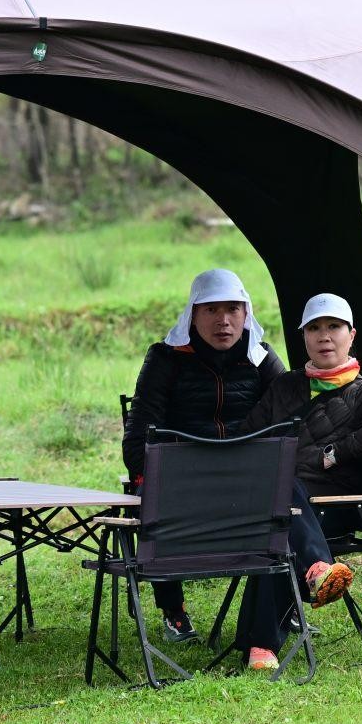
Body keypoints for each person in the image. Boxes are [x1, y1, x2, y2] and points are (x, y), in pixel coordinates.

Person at [233, 293, 362, 669]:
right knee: (281, 501)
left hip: (331, 508)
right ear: (304, 337)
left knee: (282, 514)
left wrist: (335, 452)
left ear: (351, 335)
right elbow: (249, 434)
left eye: (334, 327)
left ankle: (262, 644)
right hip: (275, 501)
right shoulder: (285, 386)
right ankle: (314, 572)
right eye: (314, 328)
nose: (324, 336)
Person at [122, 268, 285, 643]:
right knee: (153, 497)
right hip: (182, 480)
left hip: (245, 480)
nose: (223, 320)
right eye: (211, 310)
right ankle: (174, 611)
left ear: (246, 314)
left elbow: (292, 417)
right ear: (193, 314)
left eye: (232, 309)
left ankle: (281, 608)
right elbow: (138, 438)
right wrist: (163, 474)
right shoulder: (165, 358)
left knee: (287, 497)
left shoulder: (261, 358)